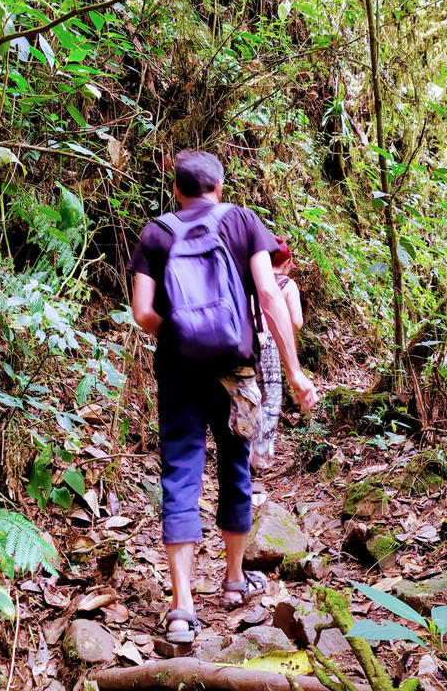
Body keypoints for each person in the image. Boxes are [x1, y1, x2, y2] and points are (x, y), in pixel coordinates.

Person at [129, 150, 319, 645]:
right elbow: (270, 296)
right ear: (220, 185)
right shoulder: (243, 222)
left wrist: (182, 334)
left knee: (181, 475)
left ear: (177, 190)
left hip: (177, 375)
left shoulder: (156, 233)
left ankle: (182, 606)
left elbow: (143, 313)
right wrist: (295, 372)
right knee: (235, 466)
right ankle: (234, 581)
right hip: (237, 373)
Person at [253, 237, 303, 471]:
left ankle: (242, 448)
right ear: (287, 261)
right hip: (270, 341)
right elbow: (297, 322)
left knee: (247, 394)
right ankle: (259, 453)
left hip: (244, 339)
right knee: (271, 396)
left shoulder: (250, 279)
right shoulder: (286, 284)